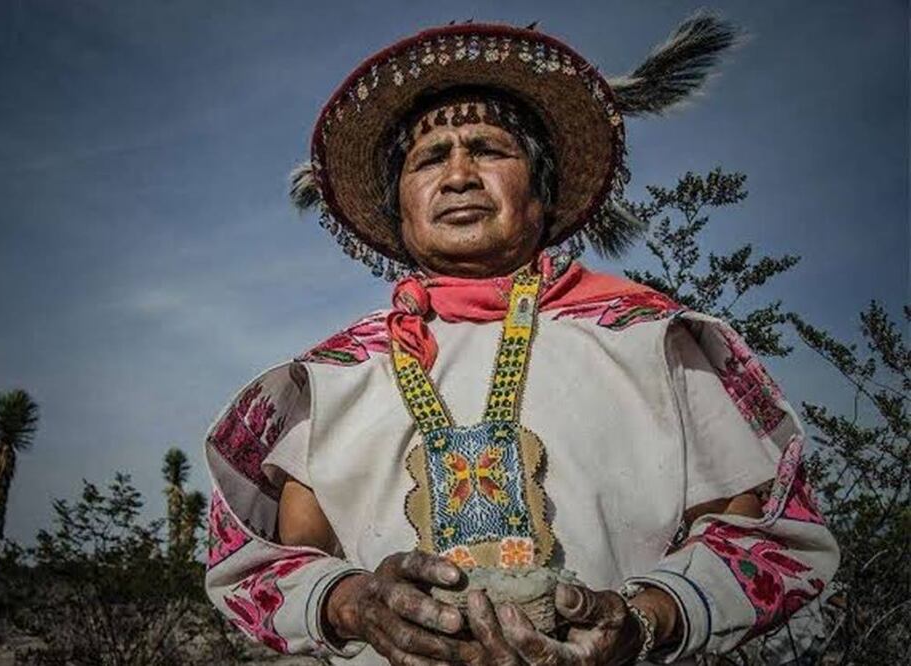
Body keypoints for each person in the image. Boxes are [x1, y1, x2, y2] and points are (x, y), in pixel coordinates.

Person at [203, 13, 839, 666]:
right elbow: (278, 565)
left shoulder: (650, 342)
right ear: (400, 206)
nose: (457, 176)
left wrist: (643, 620)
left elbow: (761, 541)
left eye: (487, 149)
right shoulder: (331, 378)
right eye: (429, 159)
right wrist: (353, 602)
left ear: (541, 190)